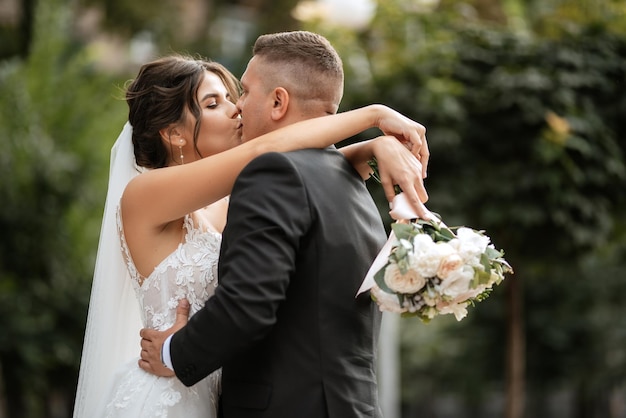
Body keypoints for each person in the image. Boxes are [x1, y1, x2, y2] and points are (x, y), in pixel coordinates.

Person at [73, 48, 429, 417]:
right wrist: (373, 116)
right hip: (164, 394)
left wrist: (373, 148)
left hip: (208, 389)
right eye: (213, 103)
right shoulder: (143, 195)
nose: (235, 109)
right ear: (174, 134)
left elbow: (301, 176)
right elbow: (267, 149)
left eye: (232, 96)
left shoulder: (220, 204)